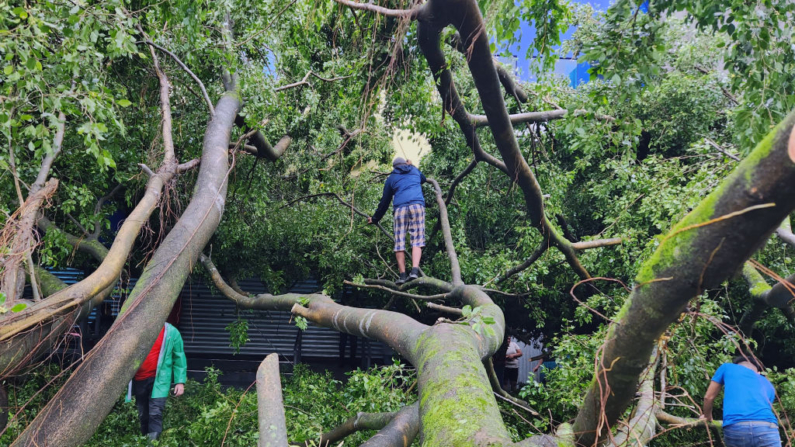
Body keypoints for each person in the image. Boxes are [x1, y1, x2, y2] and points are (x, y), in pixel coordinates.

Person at [700, 355, 781, 447]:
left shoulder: (728, 367)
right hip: (766, 428)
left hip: (736, 427)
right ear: (758, 372)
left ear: (737, 366)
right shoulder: (768, 384)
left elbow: (709, 397)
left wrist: (708, 416)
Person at [368, 157, 427, 285]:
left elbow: (384, 202)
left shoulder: (392, 178)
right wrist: (413, 165)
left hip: (400, 208)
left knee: (399, 241)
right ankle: (414, 272)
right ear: (406, 163)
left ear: (394, 167)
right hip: (417, 206)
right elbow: (424, 179)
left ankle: (402, 276)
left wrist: (375, 218)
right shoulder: (414, 171)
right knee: (417, 239)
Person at [126, 322, 187, 441]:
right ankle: (144, 440)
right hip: (140, 378)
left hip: (160, 379)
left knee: (155, 413)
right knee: (143, 414)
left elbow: (179, 357)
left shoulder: (171, 332)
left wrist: (180, 382)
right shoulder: (137, 329)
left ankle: (152, 443)